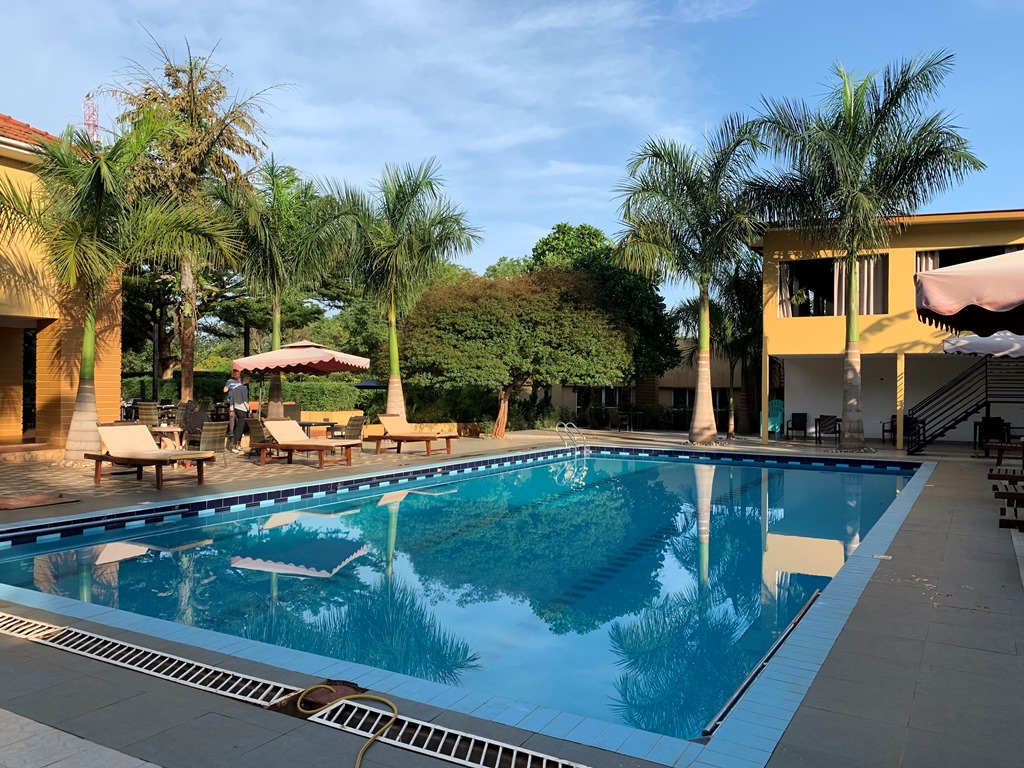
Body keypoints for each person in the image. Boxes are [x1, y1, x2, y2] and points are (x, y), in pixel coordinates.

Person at [228, 374, 250, 453]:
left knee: (239, 426)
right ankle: (235, 445)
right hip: (242, 409)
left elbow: (231, 400)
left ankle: (238, 444)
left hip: (236, 408)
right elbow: (245, 400)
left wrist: (231, 409)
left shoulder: (235, 389)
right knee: (240, 428)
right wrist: (249, 410)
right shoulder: (244, 389)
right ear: (246, 380)